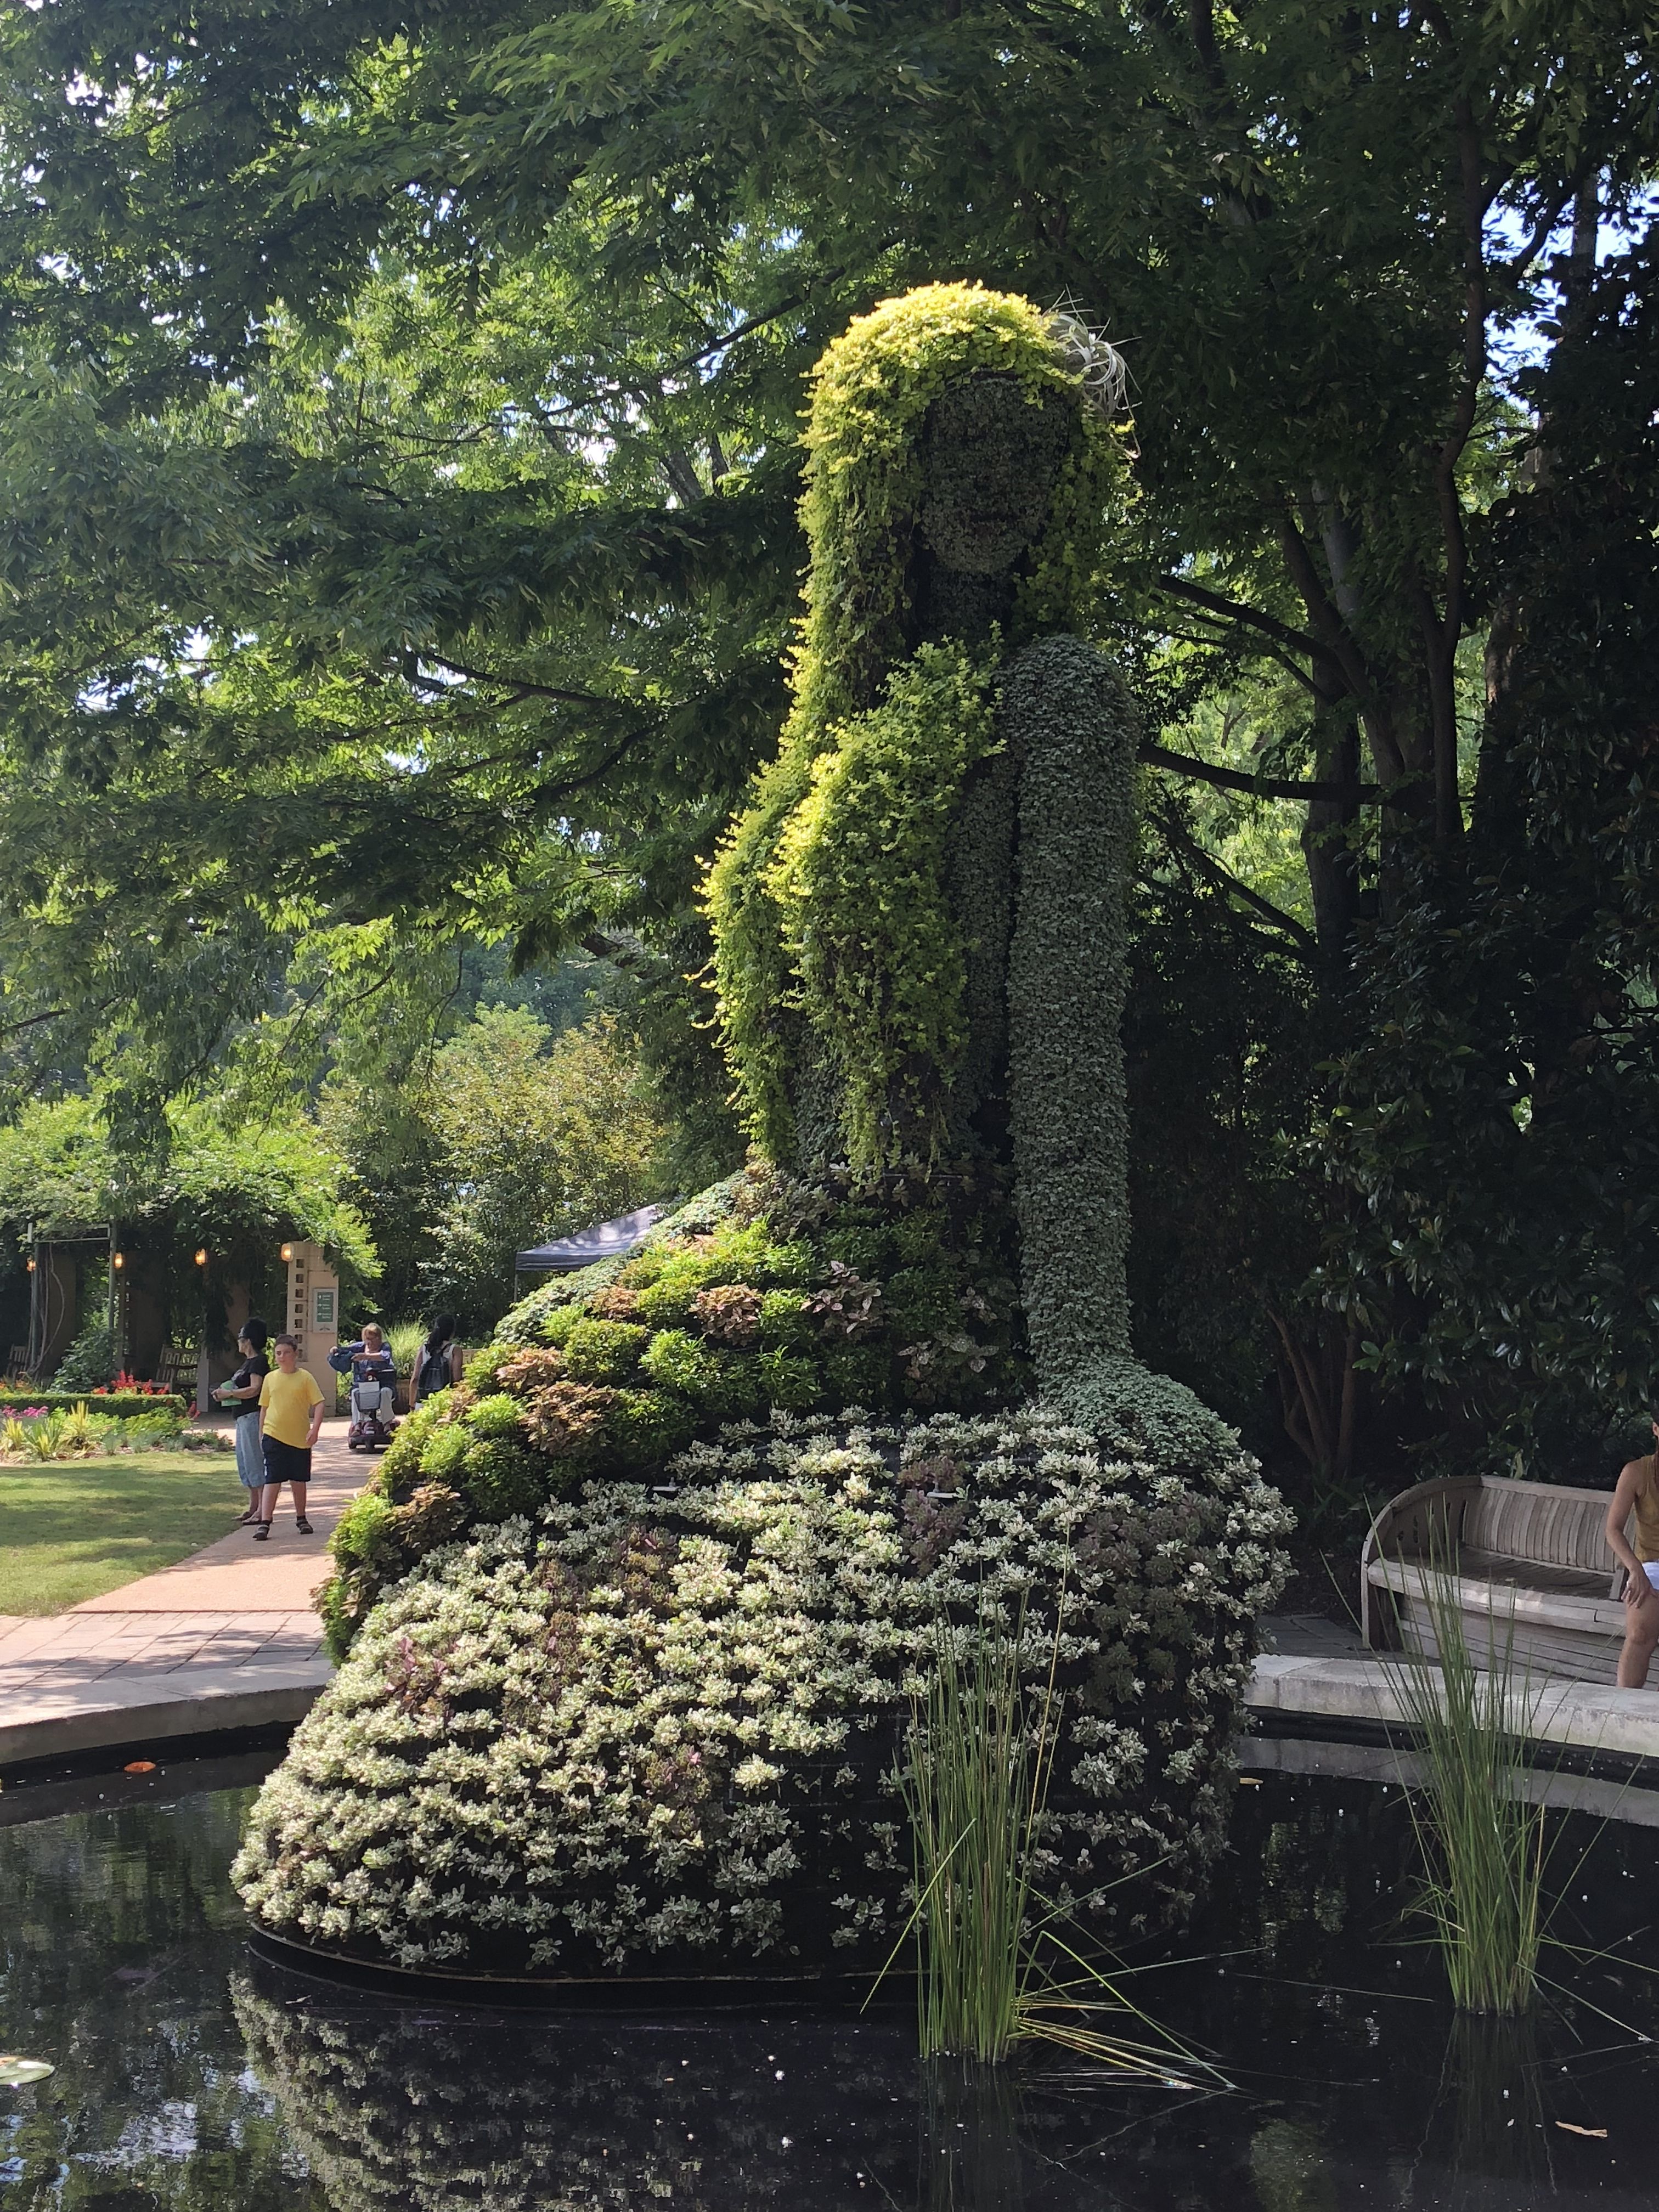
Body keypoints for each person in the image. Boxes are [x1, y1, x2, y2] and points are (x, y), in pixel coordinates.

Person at [255, 1332, 325, 1539]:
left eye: (286, 1353)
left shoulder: (305, 1378)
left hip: (300, 1438)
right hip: (274, 1435)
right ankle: (265, 1522)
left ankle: (301, 1518)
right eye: (278, 1353)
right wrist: (261, 1433)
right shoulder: (270, 1378)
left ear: (295, 1354)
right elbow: (264, 1408)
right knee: (272, 1479)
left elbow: (319, 1403)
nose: (282, 1357)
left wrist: (315, 1429)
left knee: (298, 1479)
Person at [1604, 1424, 1659, 1688]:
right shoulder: (1637, 1472)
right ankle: (1624, 1706)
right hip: (1651, 1566)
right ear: (1656, 1429)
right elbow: (1613, 1529)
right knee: (1639, 1633)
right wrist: (1635, 1570)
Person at [213, 1318, 271, 1525]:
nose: (238, 1341)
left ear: (249, 1340)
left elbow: (255, 1389)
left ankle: (263, 1510)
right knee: (245, 1464)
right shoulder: (247, 1363)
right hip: (242, 1418)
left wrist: (230, 1393)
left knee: (255, 1462)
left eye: (241, 1337)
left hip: (252, 1417)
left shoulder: (258, 1362)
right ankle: (253, 1507)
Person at [327, 1321, 398, 1421]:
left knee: (385, 1392)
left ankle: (387, 1422)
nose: (369, 1342)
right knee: (355, 1392)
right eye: (367, 1339)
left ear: (379, 1338)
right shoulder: (361, 1347)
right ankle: (358, 1424)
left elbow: (385, 1356)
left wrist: (365, 1356)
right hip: (362, 1384)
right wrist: (335, 1350)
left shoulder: (385, 1346)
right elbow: (344, 1350)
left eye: (372, 1339)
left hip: (383, 1383)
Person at [408, 1313, 463, 1410]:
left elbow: (415, 1378)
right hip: (445, 1402)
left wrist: (412, 1404)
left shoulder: (424, 1349)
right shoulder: (455, 1350)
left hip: (423, 1401)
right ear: (452, 1332)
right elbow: (457, 1379)